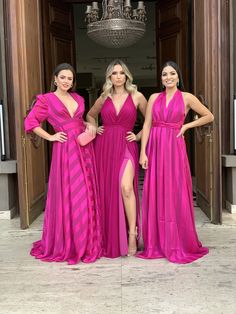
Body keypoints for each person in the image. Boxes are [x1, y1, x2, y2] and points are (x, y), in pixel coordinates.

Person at [24, 63, 102, 264]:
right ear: (55, 79)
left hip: (84, 150)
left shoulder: (78, 98)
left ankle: (86, 241)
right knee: (71, 194)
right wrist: (50, 137)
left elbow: (80, 121)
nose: (67, 81)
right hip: (65, 150)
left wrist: (90, 126)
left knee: (86, 194)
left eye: (70, 78)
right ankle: (70, 242)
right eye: (63, 77)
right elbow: (30, 123)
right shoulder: (46, 100)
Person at [138, 61, 213, 264]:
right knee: (156, 191)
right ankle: (157, 242)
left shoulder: (187, 97)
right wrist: (143, 152)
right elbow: (146, 125)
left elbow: (209, 116)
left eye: (172, 73)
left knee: (174, 191)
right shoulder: (154, 97)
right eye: (164, 74)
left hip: (174, 147)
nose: (168, 77)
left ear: (178, 77)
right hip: (154, 146)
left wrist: (187, 125)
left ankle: (176, 240)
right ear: (161, 78)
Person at [86, 59, 147, 257]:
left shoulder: (137, 96)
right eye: (114, 73)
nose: (118, 76)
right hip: (104, 147)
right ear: (109, 77)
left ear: (127, 76)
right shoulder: (103, 97)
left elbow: (151, 122)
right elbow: (89, 115)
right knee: (109, 192)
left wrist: (137, 136)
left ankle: (132, 233)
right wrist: (95, 127)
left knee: (126, 188)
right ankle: (112, 235)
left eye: (121, 73)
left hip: (126, 144)